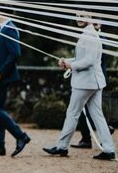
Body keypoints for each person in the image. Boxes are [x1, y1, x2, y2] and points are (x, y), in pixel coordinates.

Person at [43, 13, 116, 160]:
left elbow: (88, 61)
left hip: (85, 83)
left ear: (90, 17)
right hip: (93, 82)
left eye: (82, 15)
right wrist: (67, 61)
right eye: (77, 15)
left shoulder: (89, 35)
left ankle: (62, 147)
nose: (79, 18)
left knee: (72, 113)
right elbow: (82, 59)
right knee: (97, 115)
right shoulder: (89, 34)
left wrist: (71, 65)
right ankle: (109, 149)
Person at [0, 10, 30, 157]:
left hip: (0, 75)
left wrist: (1, 72)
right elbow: (4, 52)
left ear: (1, 12)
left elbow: (15, 53)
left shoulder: (10, 28)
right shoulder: (4, 28)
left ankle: (20, 135)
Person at [70, 20, 115, 149]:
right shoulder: (85, 36)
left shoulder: (100, 37)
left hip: (94, 79)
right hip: (84, 79)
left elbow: (94, 59)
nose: (94, 26)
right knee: (88, 113)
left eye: (96, 24)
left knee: (89, 112)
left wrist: (73, 65)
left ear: (100, 25)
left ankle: (102, 135)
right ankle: (86, 139)